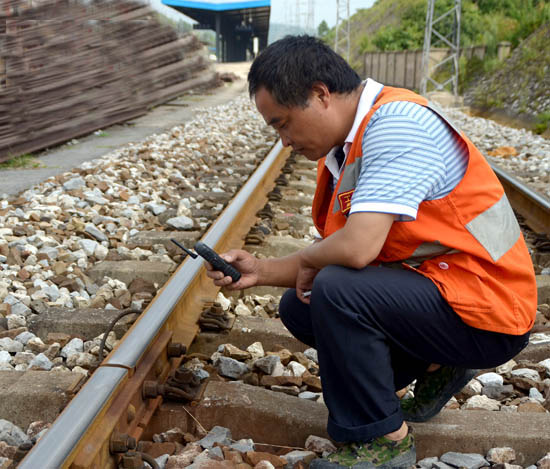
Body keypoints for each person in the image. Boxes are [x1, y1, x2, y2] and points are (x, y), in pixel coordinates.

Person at [206, 35, 536, 468]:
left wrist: (309, 260)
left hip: (491, 307)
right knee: (300, 307)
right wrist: (259, 271)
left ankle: (384, 440)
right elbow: (345, 254)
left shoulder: (397, 124)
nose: (284, 141)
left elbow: (358, 250)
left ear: (320, 94)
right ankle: (440, 363)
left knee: (337, 290)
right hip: (445, 288)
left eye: (283, 123)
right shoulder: (347, 146)